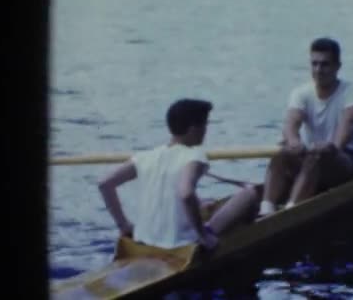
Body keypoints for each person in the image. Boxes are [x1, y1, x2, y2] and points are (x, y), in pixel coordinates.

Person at [97, 99, 260, 250]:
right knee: (251, 193)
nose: (206, 131)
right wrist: (203, 236)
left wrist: (124, 226)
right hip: (181, 245)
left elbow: (105, 183)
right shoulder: (194, 157)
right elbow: (186, 193)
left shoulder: (145, 156)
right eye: (205, 125)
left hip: (143, 239)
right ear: (193, 129)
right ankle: (244, 234)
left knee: (203, 203)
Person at [258, 37, 353, 216]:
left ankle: (290, 211)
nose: (318, 70)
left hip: (347, 159)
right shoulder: (301, 93)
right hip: (313, 157)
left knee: (318, 154)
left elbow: (349, 123)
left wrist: (333, 148)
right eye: (314, 64)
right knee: (282, 151)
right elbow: (291, 123)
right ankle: (266, 209)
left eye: (325, 64)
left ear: (337, 66)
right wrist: (294, 142)